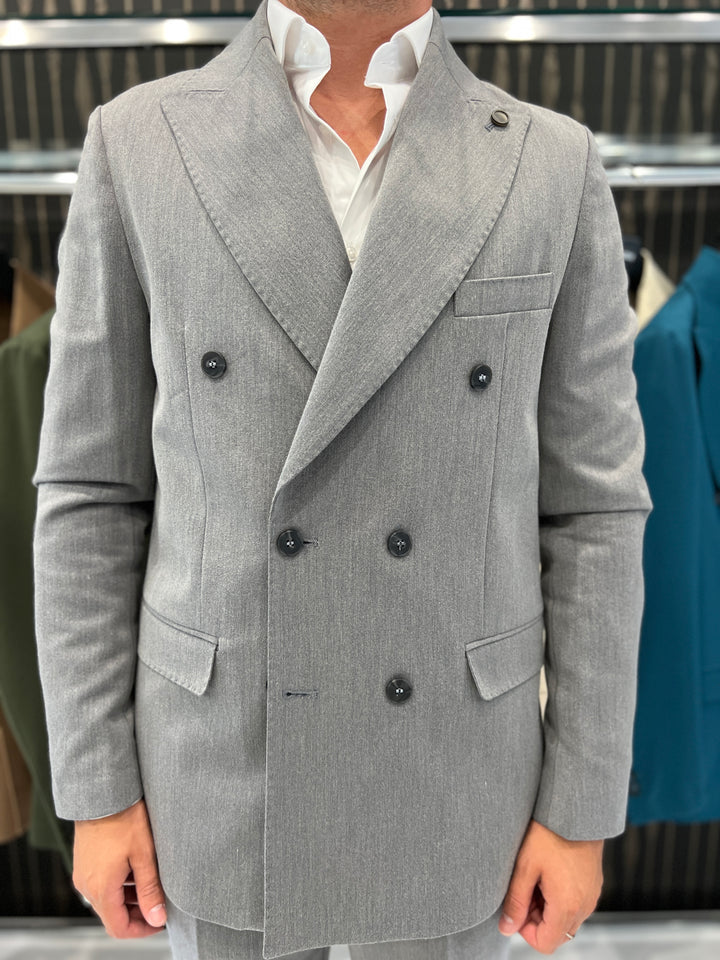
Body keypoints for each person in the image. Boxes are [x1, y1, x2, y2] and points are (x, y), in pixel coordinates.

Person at [32, 1, 653, 958]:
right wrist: (97, 788)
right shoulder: (139, 142)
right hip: (222, 768)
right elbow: (90, 492)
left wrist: (580, 806)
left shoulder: (550, 163)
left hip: (456, 775)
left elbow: (593, 511)